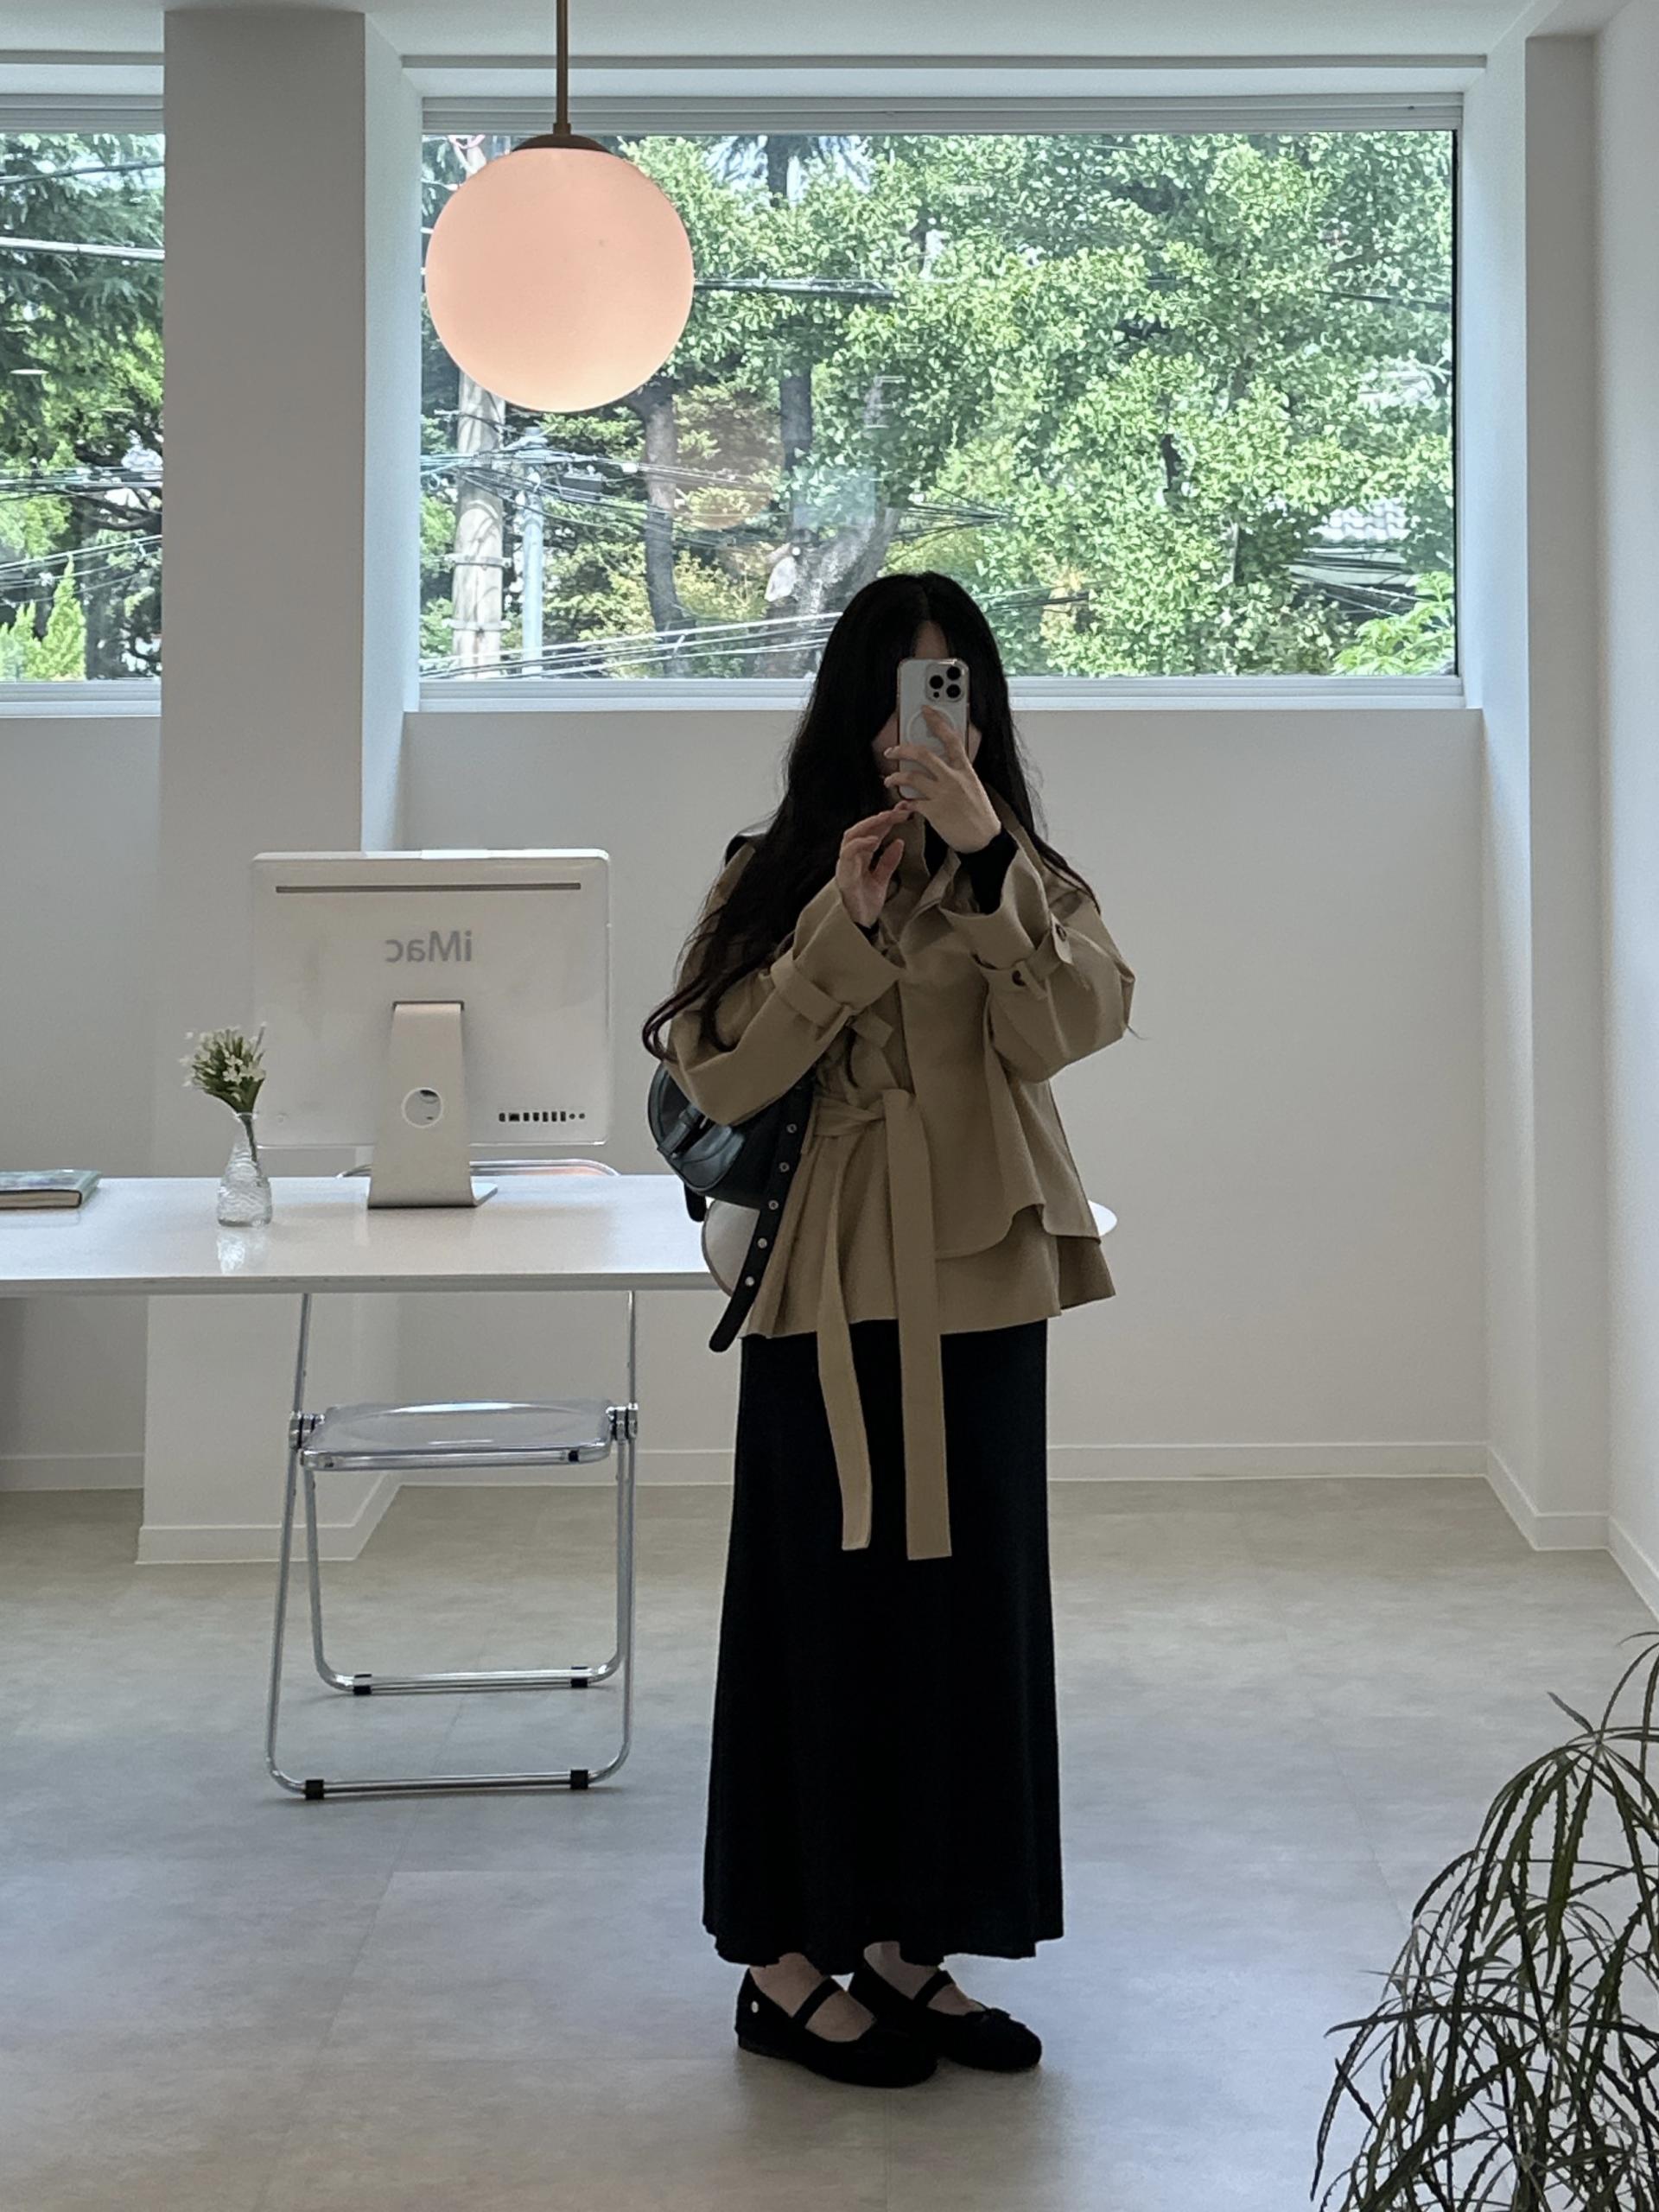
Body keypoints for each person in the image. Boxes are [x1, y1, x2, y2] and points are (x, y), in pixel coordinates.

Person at [641, 572, 1136, 2088]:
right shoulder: (770, 872)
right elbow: (717, 1078)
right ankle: (783, 1961)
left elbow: (1074, 1028)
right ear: (853, 707)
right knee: (815, 1615)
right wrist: (837, 929)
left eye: (954, 688)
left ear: (980, 711)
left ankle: (917, 1943)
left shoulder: (1024, 873)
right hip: (823, 1281)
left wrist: (987, 863)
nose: (928, 719)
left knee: (968, 1623)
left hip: (981, 1271)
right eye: (904, 688)